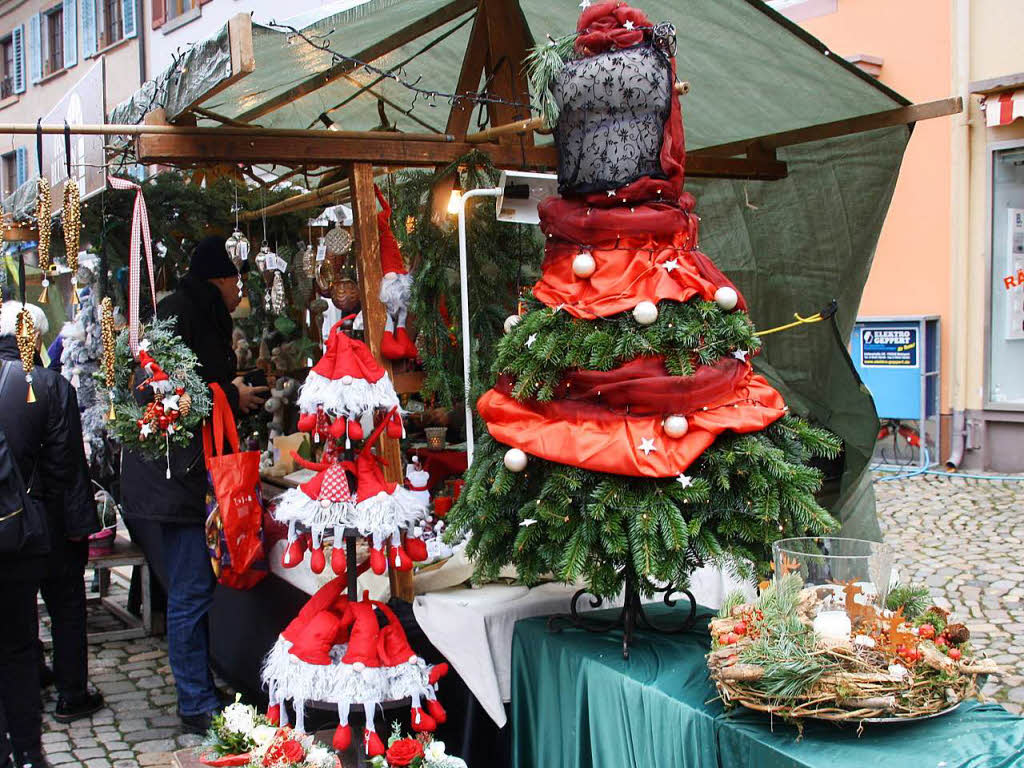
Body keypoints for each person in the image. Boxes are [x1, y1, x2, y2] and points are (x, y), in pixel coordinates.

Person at [121, 236, 268, 734]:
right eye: (237, 282)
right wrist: (231, 391)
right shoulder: (187, 316)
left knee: (190, 591)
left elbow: (183, 385)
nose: (239, 292)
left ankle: (199, 684)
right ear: (221, 280)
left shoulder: (180, 312)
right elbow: (168, 393)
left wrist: (229, 388)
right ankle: (195, 702)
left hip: (169, 476)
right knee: (189, 593)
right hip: (176, 479)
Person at [0, 300, 98, 768]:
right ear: (35, 338)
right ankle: (71, 692)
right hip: (47, 519)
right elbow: (68, 465)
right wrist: (79, 525)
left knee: (15, 633)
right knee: (64, 608)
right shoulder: (49, 384)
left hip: (7, 525)